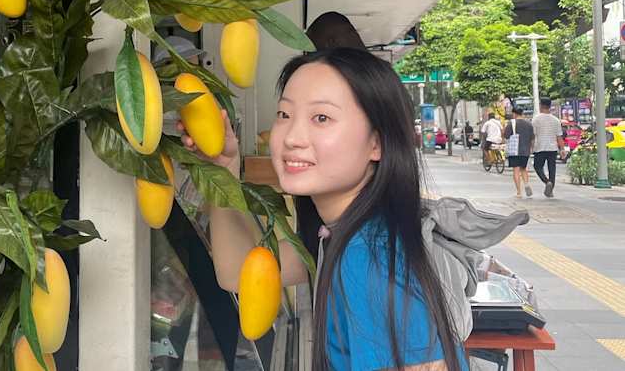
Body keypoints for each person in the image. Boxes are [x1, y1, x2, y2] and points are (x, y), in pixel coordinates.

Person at [180, 48, 467, 370]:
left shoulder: (369, 255)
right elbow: (239, 273)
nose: (292, 137)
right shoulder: (342, 232)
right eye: (285, 115)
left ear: (378, 142)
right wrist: (224, 170)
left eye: (321, 118)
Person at [531, 97, 565, 198]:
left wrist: (531, 147)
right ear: (550, 106)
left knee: (537, 167)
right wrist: (562, 149)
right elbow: (559, 136)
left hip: (540, 147)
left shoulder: (536, 119)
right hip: (552, 148)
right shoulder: (556, 120)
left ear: (541, 105)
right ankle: (550, 189)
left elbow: (533, 135)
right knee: (552, 169)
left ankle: (547, 182)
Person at [504, 107, 535, 198]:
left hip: (515, 149)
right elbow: (532, 138)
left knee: (516, 170)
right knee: (523, 169)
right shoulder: (529, 124)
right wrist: (531, 148)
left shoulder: (512, 123)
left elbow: (506, 135)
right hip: (526, 150)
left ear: (514, 114)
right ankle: (526, 184)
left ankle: (518, 192)